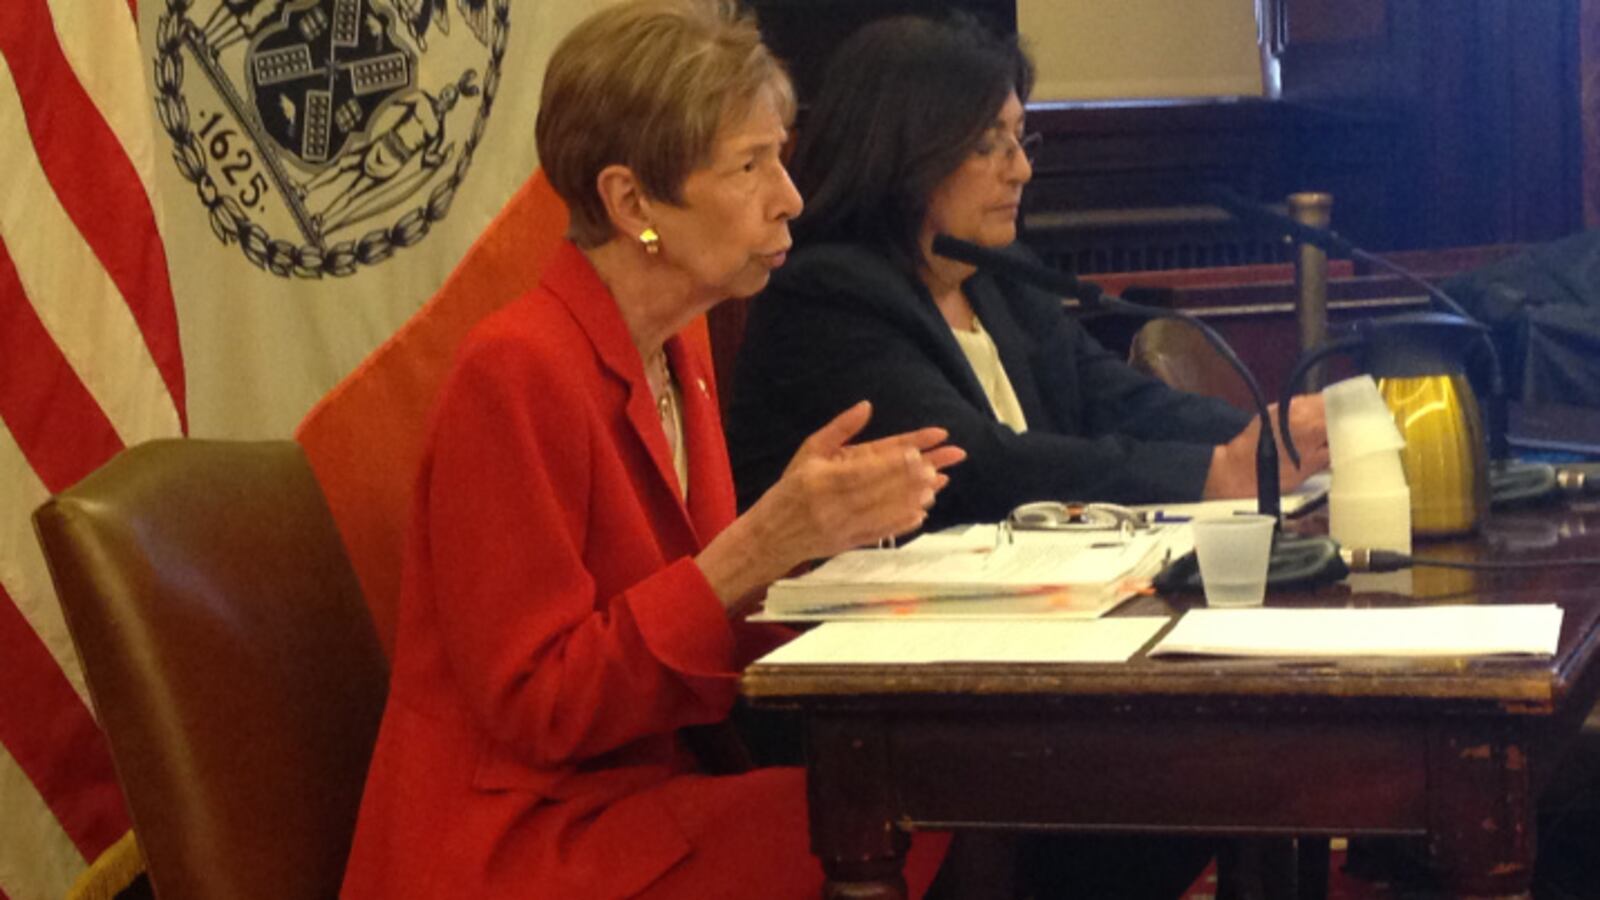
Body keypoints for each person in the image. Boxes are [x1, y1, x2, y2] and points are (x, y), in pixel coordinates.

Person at [338, 3, 964, 897]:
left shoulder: (679, 352)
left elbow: (698, 630)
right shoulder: (515, 368)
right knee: (916, 812)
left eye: (780, 158)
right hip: (525, 842)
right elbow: (540, 706)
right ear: (631, 202)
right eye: (750, 165)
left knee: (941, 793)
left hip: (645, 800)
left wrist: (853, 575)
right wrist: (761, 543)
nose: (790, 196)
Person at [727, 14, 1329, 532]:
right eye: (987, 145)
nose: (1020, 170)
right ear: (903, 154)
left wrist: (1272, 439)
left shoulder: (997, 274)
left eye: (1019, 139)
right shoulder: (830, 297)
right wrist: (1212, 473)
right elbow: (973, 465)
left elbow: (1115, 400)